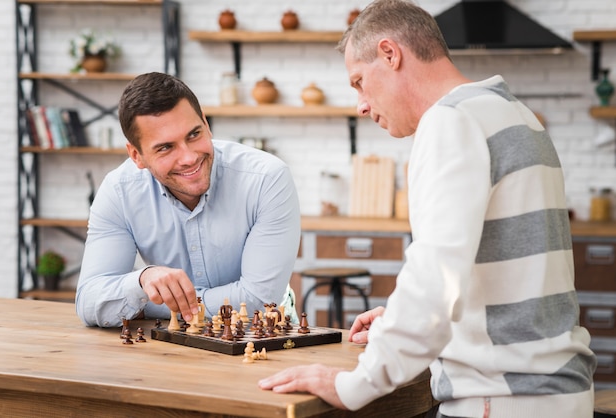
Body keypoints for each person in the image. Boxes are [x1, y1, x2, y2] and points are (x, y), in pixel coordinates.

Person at [258, 1, 597, 416]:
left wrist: (353, 385)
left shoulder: (450, 122)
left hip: (501, 400)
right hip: (554, 397)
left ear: (390, 53)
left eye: (360, 82)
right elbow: (506, 279)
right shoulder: (515, 113)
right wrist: (402, 318)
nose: (361, 105)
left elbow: (434, 281)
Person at [76, 72, 301, 328]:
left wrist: (145, 304)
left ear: (206, 124)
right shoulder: (119, 191)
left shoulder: (266, 178)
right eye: (165, 148)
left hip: (264, 341)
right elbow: (90, 303)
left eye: (194, 135)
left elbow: (258, 300)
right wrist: (143, 280)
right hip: (171, 349)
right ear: (136, 155)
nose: (189, 158)